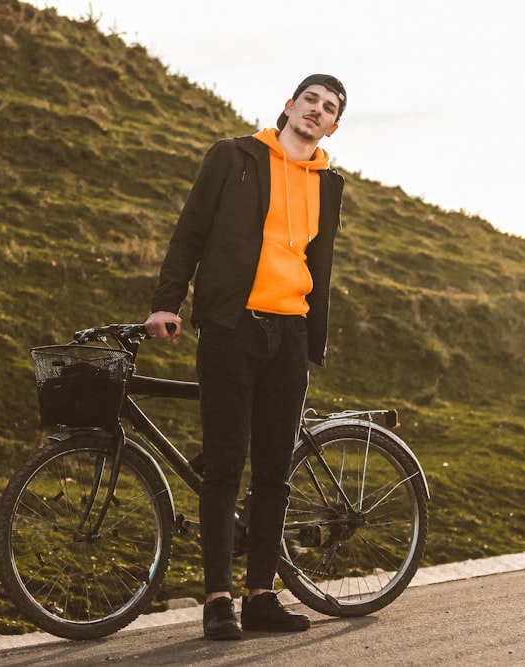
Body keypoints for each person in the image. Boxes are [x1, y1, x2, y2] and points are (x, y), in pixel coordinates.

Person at [144, 74, 347, 640]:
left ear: (334, 126)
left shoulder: (329, 184)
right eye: (310, 99)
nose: (316, 110)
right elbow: (190, 232)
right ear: (288, 106)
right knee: (226, 464)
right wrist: (167, 303)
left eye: (329, 108)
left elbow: (319, 262)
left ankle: (261, 596)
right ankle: (217, 601)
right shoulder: (233, 156)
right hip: (232, 326)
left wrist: (313, 332)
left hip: (291, 332)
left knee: (275, 471)